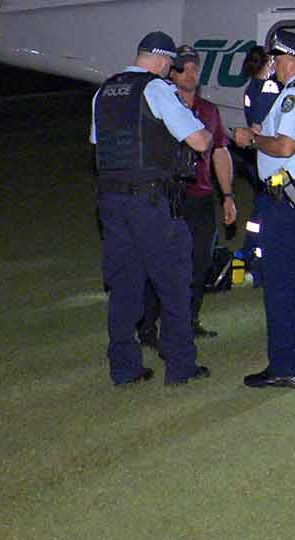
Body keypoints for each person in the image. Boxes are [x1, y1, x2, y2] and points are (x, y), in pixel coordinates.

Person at [90, 31, 213, 386]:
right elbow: (197, 139)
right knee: (173, 279)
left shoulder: (104, 91)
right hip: (151, 201)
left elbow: (99, 144)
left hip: (111, 201)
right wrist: (202, 131)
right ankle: (181, 365)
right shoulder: (156, 89)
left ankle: (124, 368)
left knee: (124, 283)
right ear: (162, 61)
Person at [232, 31, 295, 388]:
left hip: (285, 200)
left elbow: (286, 146)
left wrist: (252, 139)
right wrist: (265, 133)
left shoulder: (293, 94)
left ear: (291, 60)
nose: (274, 65)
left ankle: (285, 366)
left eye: (277, 59)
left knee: (279, 283)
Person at [138, 45, 238, 345]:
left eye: (195, 67)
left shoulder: (209, 111)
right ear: (172, 72)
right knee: (162, 263)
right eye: (184, 67)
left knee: (200, 262)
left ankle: (189, 320)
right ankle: (148, 326)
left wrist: (229, 195)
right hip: (169, 197)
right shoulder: (159, 104)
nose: (191, 73)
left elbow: (219, 151)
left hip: (202, 196)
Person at [236, 46, 279, 282]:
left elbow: (253, 123)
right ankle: (254, 257)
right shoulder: (269, 87)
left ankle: (250, 253)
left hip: (258, 155)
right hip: (271, 154)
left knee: (261, 205)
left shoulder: (250, 88)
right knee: (266, 207)